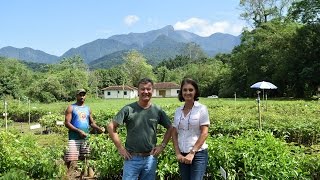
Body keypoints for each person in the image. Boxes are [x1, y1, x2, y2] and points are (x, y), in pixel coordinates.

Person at [107, 78, 173, 180]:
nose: (145, 92)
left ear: (152, 91)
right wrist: (120, 148)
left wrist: (162, 146)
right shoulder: (128, 109)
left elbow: (170, 128)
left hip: (150, 159)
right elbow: (111, 126)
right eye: (142, 89)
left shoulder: (157, 110)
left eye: (148, 89)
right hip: (132, 158)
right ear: (138, 91)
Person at [172, 78, 210, 180]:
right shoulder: (178, 111)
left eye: (190, 90)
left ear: (195, 91)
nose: (187, 92)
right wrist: (177, 153)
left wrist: (192, 153)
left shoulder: (202, 109)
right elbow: (174, 132)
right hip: (182, 154)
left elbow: (204, 133)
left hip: (198, 154)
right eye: (185, 90)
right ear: (181, 92)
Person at [64, 89, 105, 177]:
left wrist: (99, 129)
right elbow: (67, 123)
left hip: (86, 138)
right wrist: (79, 131)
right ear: (76, 96)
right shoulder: (71, 107)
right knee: (72, 159)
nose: (82, 97)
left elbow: (91, 123)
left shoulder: (87, 108)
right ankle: (69, 177)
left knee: (87, 158)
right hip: (74, 138)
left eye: (83, 95)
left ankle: (84, 176)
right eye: (80, 95)